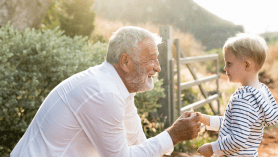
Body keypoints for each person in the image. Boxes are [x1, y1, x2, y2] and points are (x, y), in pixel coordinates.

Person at [11, 26, 202, 157]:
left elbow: (138, 143)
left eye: (157, 59)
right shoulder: (104, 93)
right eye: (151, 59)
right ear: (126, 62)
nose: (158, 68)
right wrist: (173, 135)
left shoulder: (119, 88)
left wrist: (173, 136)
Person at [196, 33, 278, 157]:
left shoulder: (242, 99)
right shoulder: (260, 93)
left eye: (229, 63)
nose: (225, 68)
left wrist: (212, 148)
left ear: (247, 65)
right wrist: (205, 119)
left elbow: (238, 138)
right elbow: (232, 123)